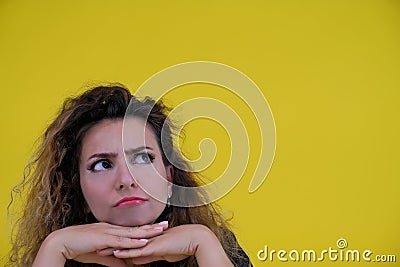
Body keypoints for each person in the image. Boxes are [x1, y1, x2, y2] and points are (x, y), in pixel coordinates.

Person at [7, 84, 252, 267]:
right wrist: (54, 249)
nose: (126, 180)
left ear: (169, 179)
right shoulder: (55, 256)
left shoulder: (214, 247)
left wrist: (204, 243)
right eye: (102, 164)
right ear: (77, 192)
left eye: (143, 158)